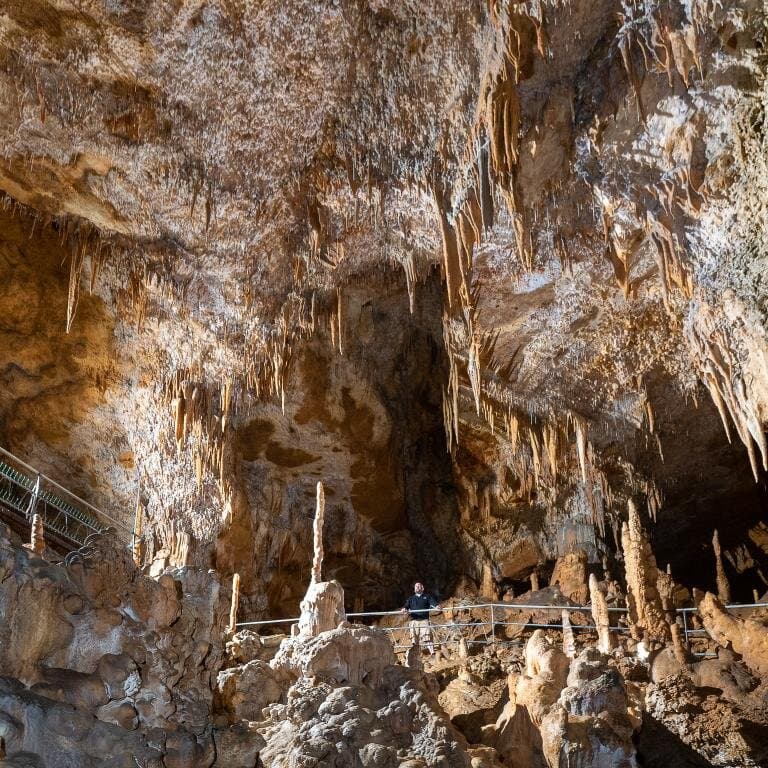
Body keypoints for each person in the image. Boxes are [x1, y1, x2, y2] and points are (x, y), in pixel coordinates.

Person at [401, 582, 439, 655]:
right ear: (414, 589)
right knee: (414, 638)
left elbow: (433, 603)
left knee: (427, 636)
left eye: (419, 586)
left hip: (424, 620)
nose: (417, 587)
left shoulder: (427, 597)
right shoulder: (411, 598)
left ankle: (432, 653)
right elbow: (406, 606)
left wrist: (437, 606)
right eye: (416, 586)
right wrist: (404, 609)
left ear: (422, 588)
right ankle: (416, 655)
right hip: (414, 621)